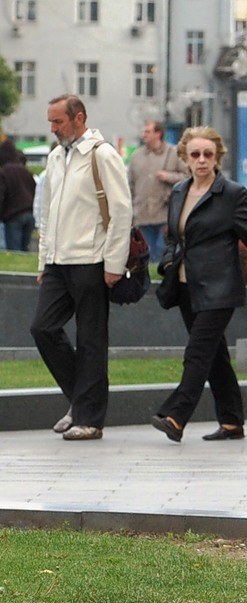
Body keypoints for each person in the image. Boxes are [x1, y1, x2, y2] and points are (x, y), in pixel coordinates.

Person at [151, 126, 247, 443]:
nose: (201, 160)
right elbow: (175, 238)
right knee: (215, 355)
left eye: (208, 154)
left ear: (217, 158)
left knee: (198, 353)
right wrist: (167, 262)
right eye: (195, 155)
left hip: (220, 287)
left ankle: (176, 416)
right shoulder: (178, 192)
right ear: (185, 158)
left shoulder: (231, 194)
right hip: (187, 286)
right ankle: (231, 421)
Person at [30, 94, 132, 441]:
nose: (53, 128)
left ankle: (90, 419)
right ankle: (81, 400)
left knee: (91, 340)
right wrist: (44, 260)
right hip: (58, 262)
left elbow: (121, 211)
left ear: (78, 118)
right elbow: (46, 212)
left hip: (92, 260)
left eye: (58, 121)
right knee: (42, 328)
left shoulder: (102, 154)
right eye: (51, 122)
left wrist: (114, 263)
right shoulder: (57, 156)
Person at [128, 120, 188, 263]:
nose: (144, 135)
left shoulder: (173, 153)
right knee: (145, 254)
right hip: (142, 214)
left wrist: (169, 177)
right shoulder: (137, 156)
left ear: (158, 133)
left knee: (164, 253)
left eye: (148, 132)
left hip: (165, 213)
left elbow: (188, 177)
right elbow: (130, 185)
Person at [0, 139, 36, 251]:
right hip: (29, 213)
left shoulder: (4, 172)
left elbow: (1, 195)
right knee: (25, 250)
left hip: (13, 215)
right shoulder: (25, 171)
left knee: (14, 251)